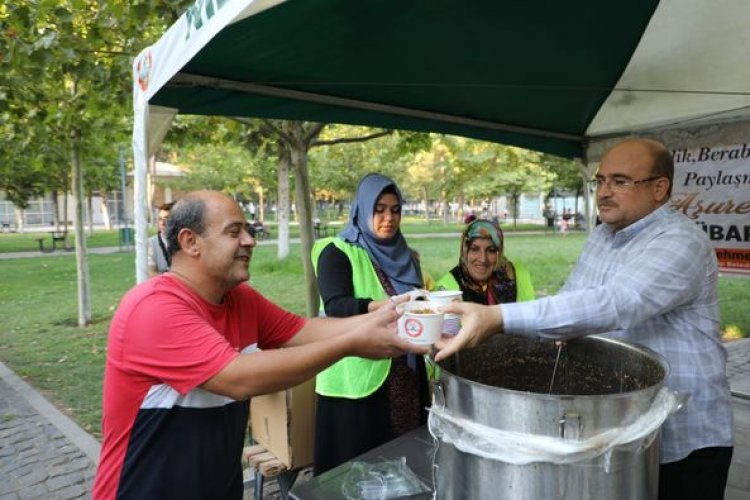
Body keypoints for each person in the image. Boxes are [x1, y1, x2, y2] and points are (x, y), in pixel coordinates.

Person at [434, 138, 734, 500]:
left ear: (659, 188)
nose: (604, 192)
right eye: (601, 181)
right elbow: (574, 305)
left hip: (684, 439)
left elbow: (618, 303)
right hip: (621, 430)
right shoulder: (603, 236)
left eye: (620, 181)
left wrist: (495, 317)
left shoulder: (681, 240)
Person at [92, 190, 426, 499]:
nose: (250, 241)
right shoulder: (153, 308)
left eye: (248, 230)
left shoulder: (240, 300)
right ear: (190, 241)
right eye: (234, 232)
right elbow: (238, 378)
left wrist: (392, 319)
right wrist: (352, 343)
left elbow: (304, 330)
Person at [310, 173, 428, 475]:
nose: (388, 218)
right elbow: (337, 305)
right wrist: (387, 306)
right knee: (356, 470)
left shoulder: (407, 256)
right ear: (362, 209)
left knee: (402, 466)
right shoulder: (336, 250)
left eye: (395, 209)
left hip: (404, 374)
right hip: (356, 379)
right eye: (379, 209)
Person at [435, 218, 535, 304]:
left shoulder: (517, 273)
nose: (483, 259)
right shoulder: (445, 288)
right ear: (465, 251)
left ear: (499, 252)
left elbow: (532, 317)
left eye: (491, 250)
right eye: (474, 249)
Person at [147, 201, 174, 277]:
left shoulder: (185, 242)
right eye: (160, 219)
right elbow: (151, 273)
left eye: (166, 219)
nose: (162, 223)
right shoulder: (151, 243)